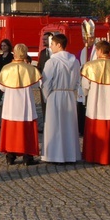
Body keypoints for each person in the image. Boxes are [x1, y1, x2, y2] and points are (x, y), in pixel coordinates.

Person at [80, 41, 110, 165]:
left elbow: (85, 86)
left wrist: (86, 95)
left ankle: (93, 156)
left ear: (100, 50)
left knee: (94, 128)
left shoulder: (90, 66)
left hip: (94, 103)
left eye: (96, 50)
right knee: (109, 128)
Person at [0, 43, 42, 166]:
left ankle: (10, 156)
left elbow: (1, 86)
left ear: (14, 53)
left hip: (10, 105)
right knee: (27, 131)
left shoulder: (6, 68)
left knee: (11, 131)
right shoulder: (30, 69)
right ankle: (28, 157)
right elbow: (37, 84)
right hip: (25, 105)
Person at [41, 33, 81, 163]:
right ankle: (70, 155)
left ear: (59, 45)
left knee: (55, 126)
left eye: (52, 44)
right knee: (68, 126)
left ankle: (54, 155)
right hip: (69, 95)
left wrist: (47, 97)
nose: (51, 47)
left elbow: (46, 82)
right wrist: (72, 91)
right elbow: (77, 81)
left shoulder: (52, 61)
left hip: (55, 95)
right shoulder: (75, 61)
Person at [77, 34, 96, 135]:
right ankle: (81, 128)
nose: (87, 41)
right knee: (82, 106)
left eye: (89, 38)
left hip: (93, 83)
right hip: (83, 82)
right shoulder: (82, 52)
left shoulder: (96, 51)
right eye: (85, 38)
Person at [37, 32, 53, 118]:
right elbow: (40, 66)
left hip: (53, 83)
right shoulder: (42, 52)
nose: (43, 41)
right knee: (44, 104)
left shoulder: (54, 53)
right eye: (43, 39)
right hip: (43, 82)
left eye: (45, 39)